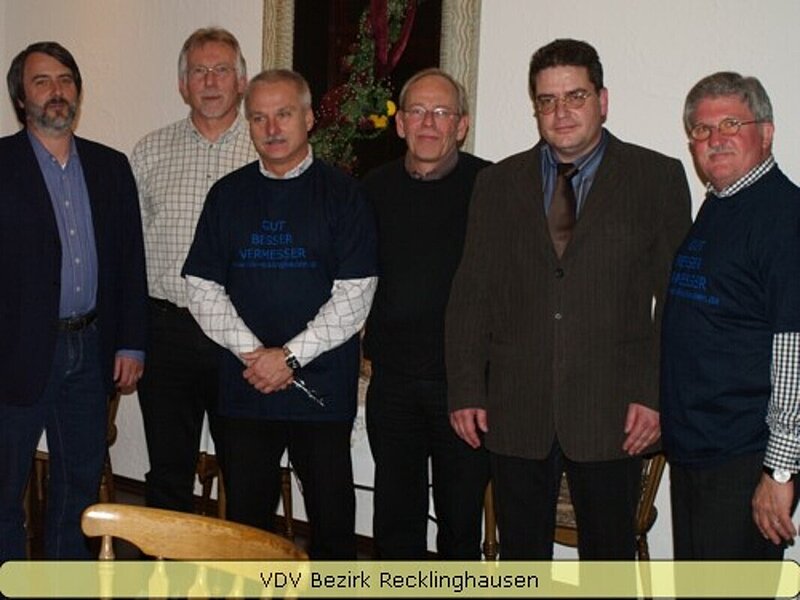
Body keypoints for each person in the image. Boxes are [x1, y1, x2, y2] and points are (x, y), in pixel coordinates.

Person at [445, 38, 692, 560]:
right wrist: (466, 389)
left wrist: (654, 393)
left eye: (575, 97)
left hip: (613, 412)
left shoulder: (656, 178)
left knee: (607, 562)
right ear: (535, 107)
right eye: (547, 100)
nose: (561, 112)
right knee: (521, 560)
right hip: (516, 409)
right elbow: (471, 294)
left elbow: (677, 303)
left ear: (603, 100)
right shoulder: (496, 183)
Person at [182, 69, 377, 559]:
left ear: (308, 118)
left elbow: (356, 294)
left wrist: (288, 357)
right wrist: (256, 355)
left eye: (284, 114)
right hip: (247, 385)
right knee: (247, 526)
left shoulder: (344, 194)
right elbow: (201, 286)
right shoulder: (227, 195)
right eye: (259, 118)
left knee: (332, 521)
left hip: (320, 386)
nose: (271, 128)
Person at [0, 42, 147, 560]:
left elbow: (130, 261)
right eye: (42, 81)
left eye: (65, 80)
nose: (56, 91)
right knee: (4, 491)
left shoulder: (111, 167)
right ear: (22, 98)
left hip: (92, 349)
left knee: (79, 488)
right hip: (16, 356)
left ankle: (64, 584)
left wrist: (131, 342)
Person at [661, 72, 800, 561]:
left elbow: (794, 346)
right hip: (699, 452)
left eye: (731, 124)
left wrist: (779, 471)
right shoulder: (720, 205)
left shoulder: (783, 216)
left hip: (744, 459)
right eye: (702, 129)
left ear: (766, 132)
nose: (715, 139)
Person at [362, 68, 491, 559]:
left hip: (464, 387)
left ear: (462, 124)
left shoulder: (492, 186)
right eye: (417, 111)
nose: (429, 123)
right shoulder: (373, 189)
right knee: (396, 519)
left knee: (460, 521)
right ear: (400, 124)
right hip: (392, 382)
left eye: (441, 112)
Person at [130, 27, 256, 513]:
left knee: (247, 471)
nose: (210, 81)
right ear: (183, 85)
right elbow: (129, 250)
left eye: (221, 70)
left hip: (242, 336)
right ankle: (165, 561)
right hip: (168, 331)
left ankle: (245, 563)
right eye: (199, 71)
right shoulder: (149, 151)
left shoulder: (266, 150)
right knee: (168, 469)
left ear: (241, 81)